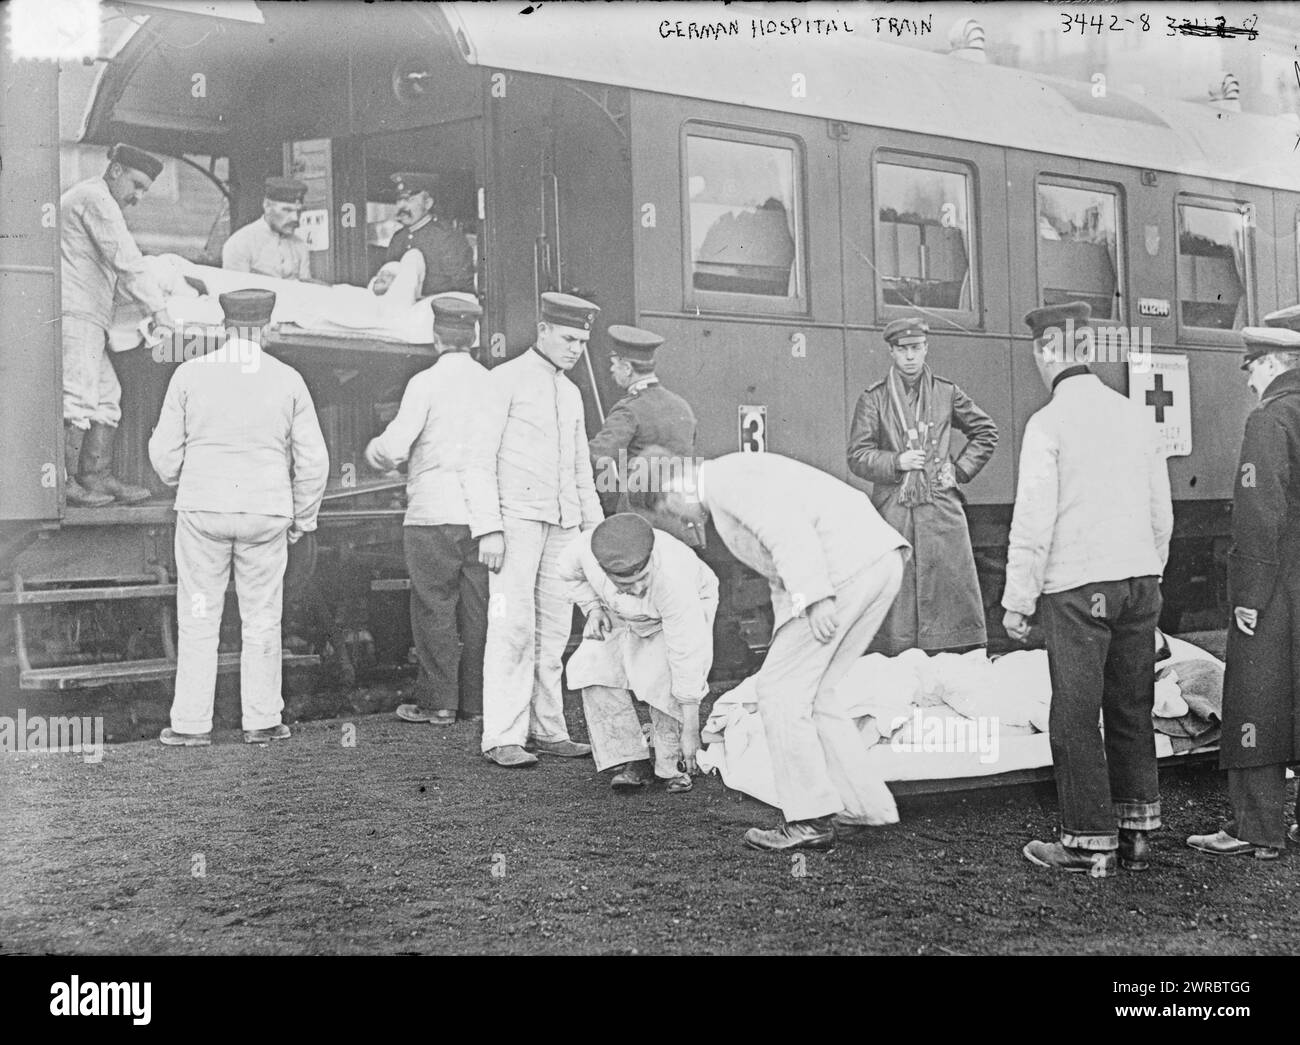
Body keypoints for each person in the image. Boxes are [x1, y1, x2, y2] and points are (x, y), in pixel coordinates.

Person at [633, 451, 910, 852]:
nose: (682, 519)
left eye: (669, 509)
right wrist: (796, 619)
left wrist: (815, 597)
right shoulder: (731, 478)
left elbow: (787, 532)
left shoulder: (724, 482)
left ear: (675, 488)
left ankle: (807, 820)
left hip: (843, 570)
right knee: (816, 693)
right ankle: (862, 805)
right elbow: (780, 573)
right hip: (873, 561)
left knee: (780, 691)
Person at [1005, 302, 1172, 875]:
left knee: (1075, 713)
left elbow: (1033, 523)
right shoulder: (1133, 415)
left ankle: (1086, 838)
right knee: (1131, 704)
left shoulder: (1047, 424)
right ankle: (1137, 832)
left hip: (1078, 586)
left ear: (1048, 348)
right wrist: (1150, 570)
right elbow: (1161, 515)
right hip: (1137, 581)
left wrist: (1017, 601)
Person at [149, 289, 329, 746]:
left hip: (203, 507)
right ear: (266, 328)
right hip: (266, 511)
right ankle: (263, 721)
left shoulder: (190, 373)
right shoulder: (288, 379)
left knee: (198, 616)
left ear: (223, 327)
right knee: (263, 617)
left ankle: (190, 725)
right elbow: (314, 462)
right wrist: (302, 519)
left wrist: (183, 481)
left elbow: (164, 454)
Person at [464, 293, 605, 767]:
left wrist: (594, 530)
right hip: (515, 525)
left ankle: (549, 730)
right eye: (568, 338)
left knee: (554, 631)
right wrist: (488, 528)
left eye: (583, 342)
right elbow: (477, 459)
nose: (575, 349)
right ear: (542, 329)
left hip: (563, 527)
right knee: (511, 628)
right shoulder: (502, 381)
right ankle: (502, 736)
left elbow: (581, 469)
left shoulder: (571, 392)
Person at [1187, 323, 1300, 860]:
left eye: (1251, 369)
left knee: (1257, 697)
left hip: (1277, 587)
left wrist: (1248, 597)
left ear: (1272, 363)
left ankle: (1256, 829)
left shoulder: (1269, 420)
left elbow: (1260, 515)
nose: (1249, 382)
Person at [364, 296, 490, 727]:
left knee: (434, 604)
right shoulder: (492, 383)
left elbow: (394, 447)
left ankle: (438, 703)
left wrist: (372, 451)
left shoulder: (425, 382)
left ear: (436, 337)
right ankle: (476, 703)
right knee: (478, 607)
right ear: (472, 338)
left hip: (432, 513)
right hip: (484, 514)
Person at [847, 316, 998, 653]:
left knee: (948, 593)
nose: (910, 357)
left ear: (926, 349)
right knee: (896, 595)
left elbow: (986, 432)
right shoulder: (874, 398)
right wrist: (896, 462)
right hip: (895, 509)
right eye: (903, 350)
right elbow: (857, 455)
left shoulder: (946, 392)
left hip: (940, 507)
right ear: (891, 353)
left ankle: (952, 658)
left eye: (916, 348)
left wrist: (958, 471)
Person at [560, 513, 718, 793]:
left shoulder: (673, 580)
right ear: (604, 570)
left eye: (641, 579)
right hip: (620, 613)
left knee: (663, 679)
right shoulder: (585, 551)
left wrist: (692, 729)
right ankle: (631, 759)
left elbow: (687, 654)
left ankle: (673, 765)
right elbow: (568, 573)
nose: (637, 588)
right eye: (626, 583)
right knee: (592, 667)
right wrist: (593, 608)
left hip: (674, 613)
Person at [60, 142, 176, 507]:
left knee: (107, 397)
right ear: (115, 171)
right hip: (75, 314)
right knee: (78, 397)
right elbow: (126, 258)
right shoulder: (95, 199)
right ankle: (63, 483)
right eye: (137, 184)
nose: (138, 196)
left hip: (90, 316)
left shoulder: (97, 200)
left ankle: (95, 475)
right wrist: (159, 312)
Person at [588, 325, 697, 514]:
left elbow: (598, 455)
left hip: (643, 520)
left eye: (614, 364)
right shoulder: (682, 406)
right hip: (684, 519)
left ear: (628, 368)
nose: (612, 370)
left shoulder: (629, 409)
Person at [382, 172, 475, 298]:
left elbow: (464, 293)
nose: (401, 206)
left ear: (428, 203)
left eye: (409, 199)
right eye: (399, 200)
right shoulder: (398, 239)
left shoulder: (447, 238)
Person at [221, 177, 313, 281]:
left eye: (299, 211)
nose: (295, 218)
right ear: (267, 206)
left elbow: (306, 290)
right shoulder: (240, 243)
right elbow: (235, 292)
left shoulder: (299, 246)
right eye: (287, 210)